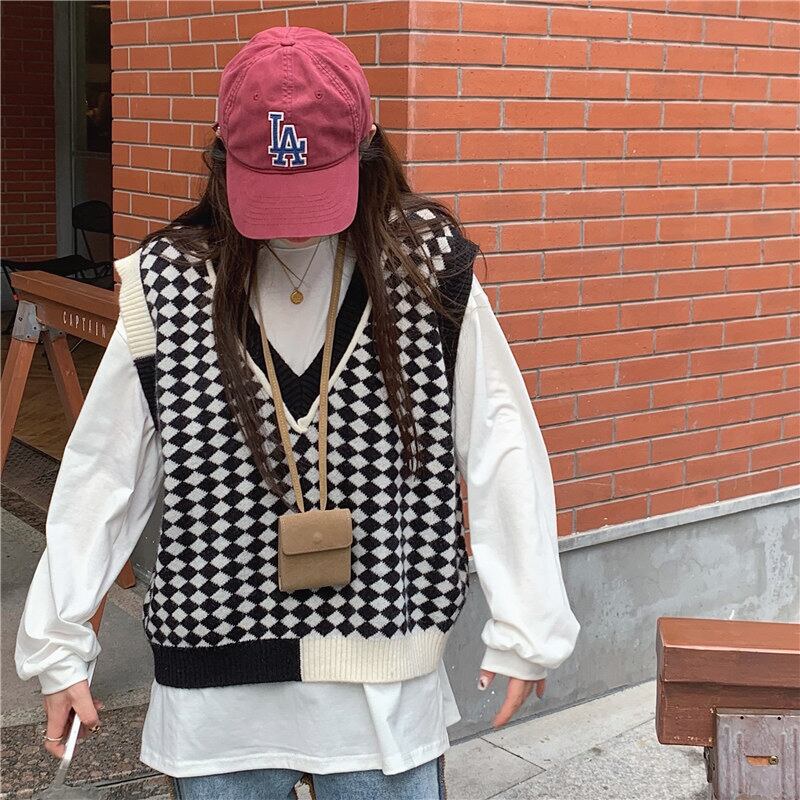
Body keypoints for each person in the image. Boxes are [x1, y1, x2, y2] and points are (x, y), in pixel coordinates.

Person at [16, 25, 579, 800]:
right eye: (269, 189)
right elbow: (103, 470)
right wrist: (59, 639)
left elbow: (499, 440)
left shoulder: (427, 273)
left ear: (368, 146)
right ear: (222, 158)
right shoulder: (169, 284)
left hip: (382, 683)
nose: (296, 220)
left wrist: (529, 621)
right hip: (218, 692)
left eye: (316, 184)